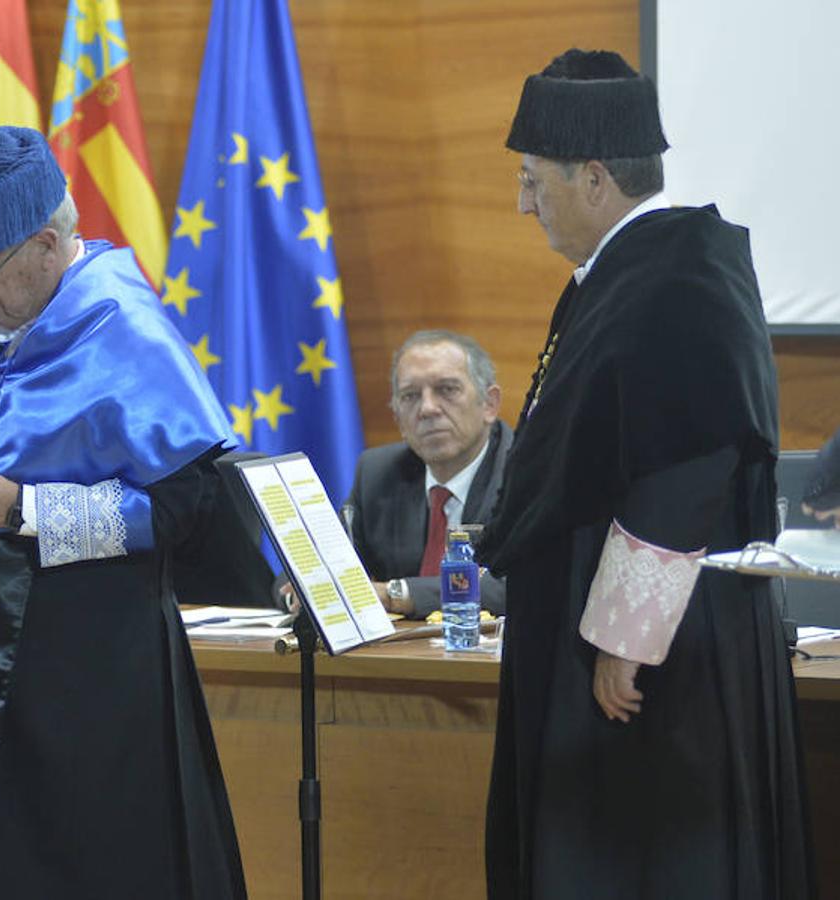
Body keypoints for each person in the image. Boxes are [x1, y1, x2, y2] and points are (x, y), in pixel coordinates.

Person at [0, 126, 247, 899]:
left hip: (77, 676)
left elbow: (182, 508)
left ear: (45, 242)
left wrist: (22, 509)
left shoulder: (124, 330)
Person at [477, 50, 814, 898]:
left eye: (533, 181)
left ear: (593, 178)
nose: (523, 204)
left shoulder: (683, 273)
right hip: (615, 638)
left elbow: (689, 460)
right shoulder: (625, 273)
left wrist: (624, 638)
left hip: (657, 665)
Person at [341, 329, 511, 618]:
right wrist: (304, 589)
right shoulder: (377, 473)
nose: (428, 409)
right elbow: (326, 563)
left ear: (489, 404)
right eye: (410, 396)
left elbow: (514, 584)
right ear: (397, 416)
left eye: (447, 389)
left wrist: (397, 594)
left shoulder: (525, 472)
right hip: (402, 647)